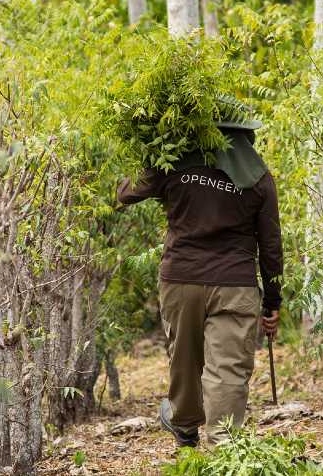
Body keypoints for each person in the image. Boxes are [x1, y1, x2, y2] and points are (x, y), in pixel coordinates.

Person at [117, 117, 283, 448]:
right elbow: (271, 246)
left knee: (185, 359)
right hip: (236, 285)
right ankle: (224, 442)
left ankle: (185, 426)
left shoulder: (172, 162)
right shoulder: (260, 178)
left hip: (182, 279)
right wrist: (272, 302)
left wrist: (154, 148)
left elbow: (124, 193)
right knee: (229, 369)